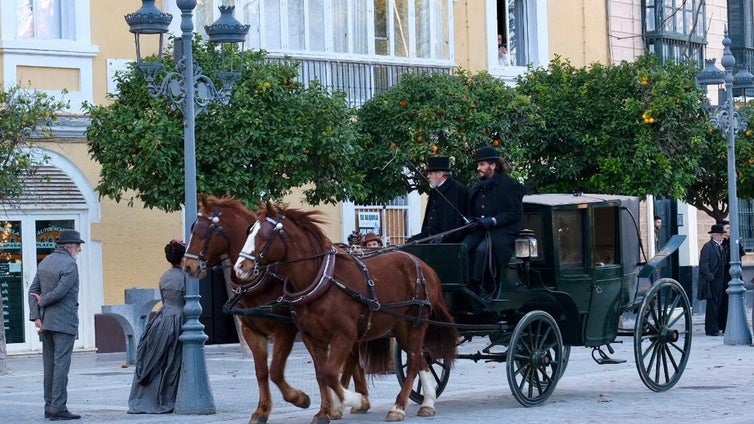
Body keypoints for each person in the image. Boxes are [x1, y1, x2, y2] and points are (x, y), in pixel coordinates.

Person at [28, 229, 85, 421]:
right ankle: (58, 408)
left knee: (49, 367)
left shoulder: (45, 261)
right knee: (61, 366)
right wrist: (42, 301)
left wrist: (36, 315)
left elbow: (32, 291)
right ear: (70, 246)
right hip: (64, 322)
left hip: (46, 322)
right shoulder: (70, 265)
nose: (79, 250)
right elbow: (60, 292)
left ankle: (49, 407)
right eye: (78, 246)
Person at [128, 240, 187, 414]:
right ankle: (166, 399)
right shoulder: (186, 276)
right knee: (172, 362)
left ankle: (143, 400)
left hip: (161, 319)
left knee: (155, 360)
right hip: (178, 319)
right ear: (183, 257)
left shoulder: (165, 275)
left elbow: (164, 298)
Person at [462, 146, 525, 298]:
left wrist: (493, 221)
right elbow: (471, 209)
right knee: (462, 247)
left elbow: (515, 213)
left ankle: (480, 286)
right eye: (478, 165)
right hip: (480, 229)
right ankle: (463, 284)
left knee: (483, 251)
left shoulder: (509, 184)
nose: (478, 168)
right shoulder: (478, 186)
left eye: (482, 164)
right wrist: (470, 220)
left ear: (493, 165)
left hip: (503, 232)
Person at [407, 156, 468, 244]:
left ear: (439, 174)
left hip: (447, 240)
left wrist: (444, 238)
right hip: (431, 235)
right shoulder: (436, 190)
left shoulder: (456, 190)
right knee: (409, 244)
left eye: (430, 173)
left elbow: (455, 223)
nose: (428, 176)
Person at [716, 219, 746, 334]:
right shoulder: (721, 243)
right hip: (724, 276)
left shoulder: (733, 242)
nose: (730, 231)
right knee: (724, 301)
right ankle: (723, 324)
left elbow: (741, 255)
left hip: (735, 275)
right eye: (727, 228)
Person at [698, 224, 727, 336]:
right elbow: (704, 265)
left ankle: (718, 326)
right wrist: (711, 278)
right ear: (714, 235)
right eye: (720, 234)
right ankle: (711, 329)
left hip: (720, 280)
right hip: (713, 280)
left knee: (718, 304)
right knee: (712, 305)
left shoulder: (721, 246)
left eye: (722, 234)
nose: (722, 236)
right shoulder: (708, 247)